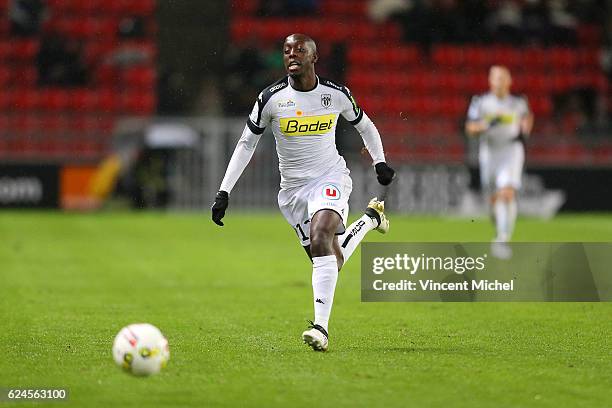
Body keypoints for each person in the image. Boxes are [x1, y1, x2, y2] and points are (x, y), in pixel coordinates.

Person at [211, 34, 395, 351]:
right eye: (286, 50)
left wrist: (380, 161)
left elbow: (365, 125)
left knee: (322, 235)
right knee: (330, 260)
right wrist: (224, 191)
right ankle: (370, 218)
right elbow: (246, 144)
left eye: (299, 49)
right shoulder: (270, 99)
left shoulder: (335, 95)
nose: (291, 54)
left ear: (314, 57)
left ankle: (320, 328)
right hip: (293, 192)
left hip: (330, 177)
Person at [465, 65, 534, 259]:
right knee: (494, 198)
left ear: (509, 81)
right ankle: (499, 221)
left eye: (503, 78)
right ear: (490, 81)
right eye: (496, 78)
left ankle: (502, 240)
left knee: (507, 192)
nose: (499, 82)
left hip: (511, 150)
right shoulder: (481, 103)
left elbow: (527, 118)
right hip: (489, 150)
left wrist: (525, 127)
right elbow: (470, 128)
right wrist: (486, 125)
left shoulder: (518, 103)